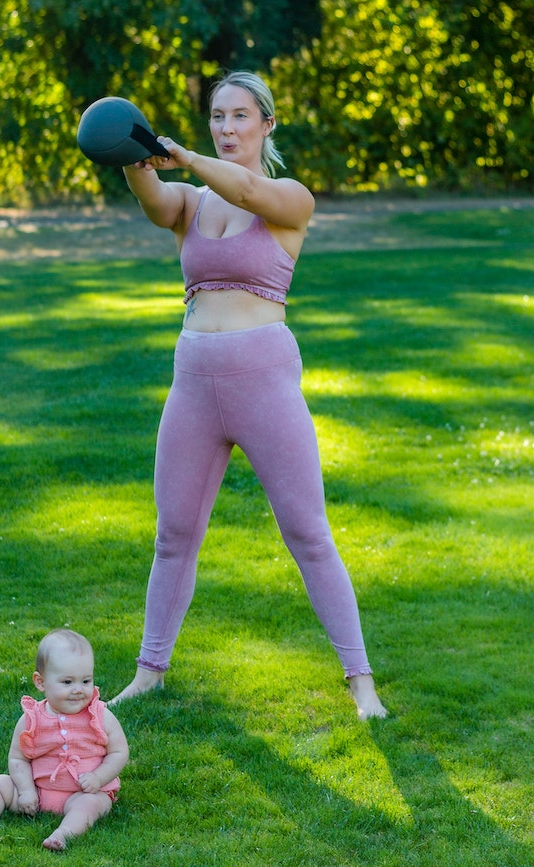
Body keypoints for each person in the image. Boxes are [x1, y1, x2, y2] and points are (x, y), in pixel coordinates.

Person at [108, 70, 387, 721]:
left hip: (262, 377)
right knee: (174, 532)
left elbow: (251, 189)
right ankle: (150, 671)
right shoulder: (191, 203)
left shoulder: (290, 197)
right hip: (194, 381)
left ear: (267, 124)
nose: (227, 128)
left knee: (307, 532)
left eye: (240, 117)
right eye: (217, 117)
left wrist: (187, 158)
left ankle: (361, 680)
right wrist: (133, 154)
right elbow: (154, 200)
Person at [0, 628, 129, 851]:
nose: (78, 690)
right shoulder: (31, 719)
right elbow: (18, 758)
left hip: (85, 792)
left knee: (90, 805)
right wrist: (26, 790)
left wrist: (98, 778)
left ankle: (63, 834)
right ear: (41, 682)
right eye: (67, 682)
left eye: (86, 681)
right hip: (39, 793)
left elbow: (119, 752)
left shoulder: (100, 715)